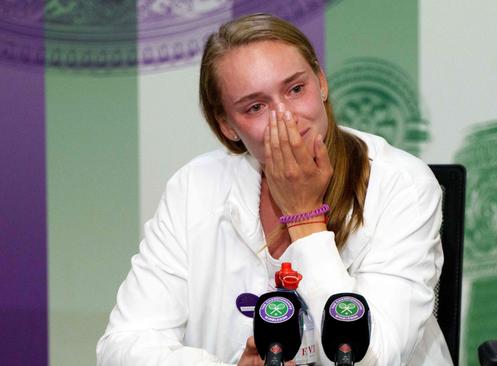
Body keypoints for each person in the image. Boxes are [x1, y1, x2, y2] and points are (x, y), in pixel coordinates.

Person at [96, 13, 452, 366]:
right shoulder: (194, 188)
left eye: (296, 89)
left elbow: (370, 359)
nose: (286, 118)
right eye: (256, 106)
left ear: (322, 82)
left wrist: (305, 219)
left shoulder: (403, 185)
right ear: (227, 126)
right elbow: (122, 346)